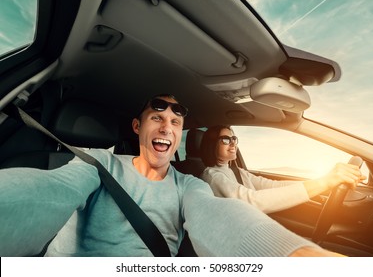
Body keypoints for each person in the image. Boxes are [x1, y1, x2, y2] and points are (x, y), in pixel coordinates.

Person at [0, 94, 350, 257]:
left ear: (180, 135)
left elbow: (223, 217)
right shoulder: (99, 163)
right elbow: (46, 192)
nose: (166, 126)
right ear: (138, 127)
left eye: (175, 122)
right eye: (157, 117)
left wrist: (295, 256)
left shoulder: (191, 185)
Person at [200, 125, 366, 214]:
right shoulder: (213, 176)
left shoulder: (238, 172)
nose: (233, 143)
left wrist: (319, 182)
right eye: (225, 140)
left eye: (234, 138)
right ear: (212, 144)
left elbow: (271, 185)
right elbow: (252, 201)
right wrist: (324, 182)